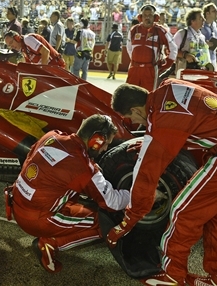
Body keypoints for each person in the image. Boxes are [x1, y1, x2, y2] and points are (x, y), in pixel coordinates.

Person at [108, 79, 217, 286]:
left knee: (182, 213)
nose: (136, 123)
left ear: (135, 109)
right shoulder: (170, 86)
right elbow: (191, 123)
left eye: (130, 117)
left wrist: (128, 219)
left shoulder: (163, 118)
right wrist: (148, 142)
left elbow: (146, 174)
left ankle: (173, 276)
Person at [8, 114, 130, 274]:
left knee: (73, 200)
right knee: (105, 222)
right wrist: (138, 194)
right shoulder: (82, 167)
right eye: (106, 144)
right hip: (38, 219)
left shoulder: (50, 136)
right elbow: (111, 202)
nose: (105, 149)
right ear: (96, 141)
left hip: (17, 203)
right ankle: (51, 243)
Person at [126, 4, 177, 92]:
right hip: (134, 69)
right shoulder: (134, 30)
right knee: (129, 95)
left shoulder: (161, 30)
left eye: (150, 15)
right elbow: (129, 48)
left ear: (155, 17)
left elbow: (173, 49)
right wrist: (137, 61)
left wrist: (166, 64)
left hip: (150, 70)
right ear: (140, 17)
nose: (147, 18)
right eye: (145, 15)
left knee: (148, 96)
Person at [202, 3, 217, 71]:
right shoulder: (201, 26)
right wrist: (205, 43)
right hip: (204, 59)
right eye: (213, 11)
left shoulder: (214, 25)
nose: (216, 12)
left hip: (213, 56)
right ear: (207, 14)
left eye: (216, 10)